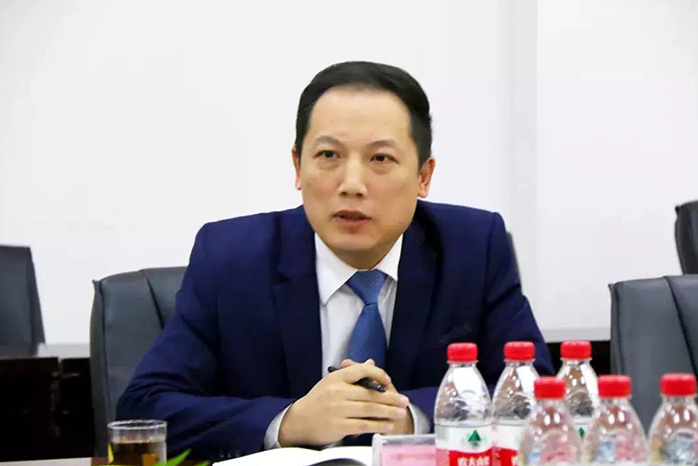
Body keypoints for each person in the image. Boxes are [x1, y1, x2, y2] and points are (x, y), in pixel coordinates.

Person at [117, 61, 553, 460]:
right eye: (329, 155)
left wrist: (407, 418)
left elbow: (535, 394)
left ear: (424, 176)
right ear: (297, 166)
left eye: (380, 158)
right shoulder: (230, 258)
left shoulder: (473, 249)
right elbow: (145, 407)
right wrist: (288, 422)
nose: (352, 184)